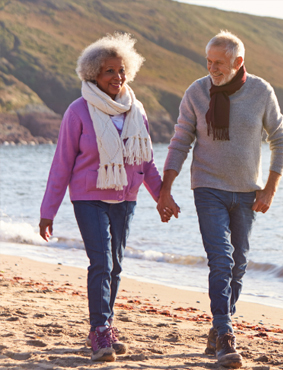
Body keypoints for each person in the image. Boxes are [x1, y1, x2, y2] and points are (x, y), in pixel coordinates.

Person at [157, 30, 283, 368]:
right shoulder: (196, 92)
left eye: (219, 63)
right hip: (208, 188)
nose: (212, 68)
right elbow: (180, 140)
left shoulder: (260, 91)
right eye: (208, 61)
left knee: (239, 265)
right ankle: (226, 335)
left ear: (238, 62)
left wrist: (270, 187)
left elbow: (280, 138)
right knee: (221, 259)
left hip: (247, 192)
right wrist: (165, 187)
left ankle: (218, 326)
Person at [39, 33, 166, 362]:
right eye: (109, 71)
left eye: (121, 70)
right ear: (93, 73)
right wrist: (48, 212)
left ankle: (106, 325)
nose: (117, 77)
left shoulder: (135, 109)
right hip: (88, 198)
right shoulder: (78, 111)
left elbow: (146, 161)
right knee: (101, 263)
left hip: (126, 199)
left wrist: (162, 197)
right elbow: (62, 163)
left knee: (116, 266)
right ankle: (99, 330)